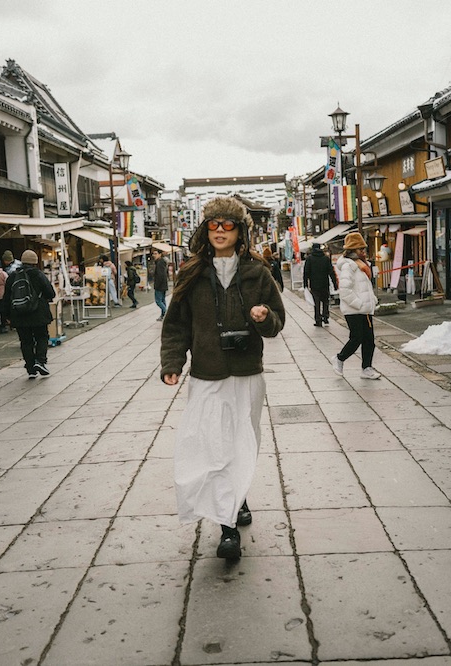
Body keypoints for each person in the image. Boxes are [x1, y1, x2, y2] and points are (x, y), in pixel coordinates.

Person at [160, 196, 286, 560]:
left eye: (227, 225)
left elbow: (277, 324)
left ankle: (238, 495)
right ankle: (227, 527)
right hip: (207, 374)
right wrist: (172, 362)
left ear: (240, 231)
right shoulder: (192, 273)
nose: (219, 231)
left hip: (246, 374)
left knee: (242, 442)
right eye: (213, 224)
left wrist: (263, 318)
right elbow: (176, 325)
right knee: (213, 445)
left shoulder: (258, 273)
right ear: (204, 229)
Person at [332, 232, 382, 380]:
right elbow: (345, 291)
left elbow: (365, 287)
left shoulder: (361, 265)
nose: (364, 252)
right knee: (357, 338)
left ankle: (367, 368)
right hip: (354, 309)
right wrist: (359, 304)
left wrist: (371, 301)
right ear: (353, 251)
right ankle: (339, 358)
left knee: (369, 340)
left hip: (364, 309)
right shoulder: (349, 266)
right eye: (361, 249)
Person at [1, 249, 57, 379]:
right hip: (38, 314)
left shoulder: (13, 276)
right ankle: (40, 361)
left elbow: (6, 298)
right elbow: (50, 293)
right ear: (35, 262)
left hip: (19, 314)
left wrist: (7, 316)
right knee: (42, 337)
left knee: (26, 341)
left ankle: (30, 367)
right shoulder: (38, 274)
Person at [303, 242, 338, 327]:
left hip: (314, 284)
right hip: (324, 283)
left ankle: (318, 320)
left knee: (317, 303)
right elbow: (331, 272)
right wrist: (335, 283)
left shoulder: (309, 259)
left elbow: (306, 272)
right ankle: (325, 318)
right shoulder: (325, 258)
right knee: (325, 301)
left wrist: (305, 284)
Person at [152, 248, 168, 321]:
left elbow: (160, 275)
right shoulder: (161, 262)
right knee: (162, 300)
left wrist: (157, 285)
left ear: (160, 254)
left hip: (160, 285)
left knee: (158, 301)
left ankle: (166, 314)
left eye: (155, 254)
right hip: (163, 284)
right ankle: (163, 315)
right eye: (153, 254)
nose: (154, 255)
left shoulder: (160, 263)